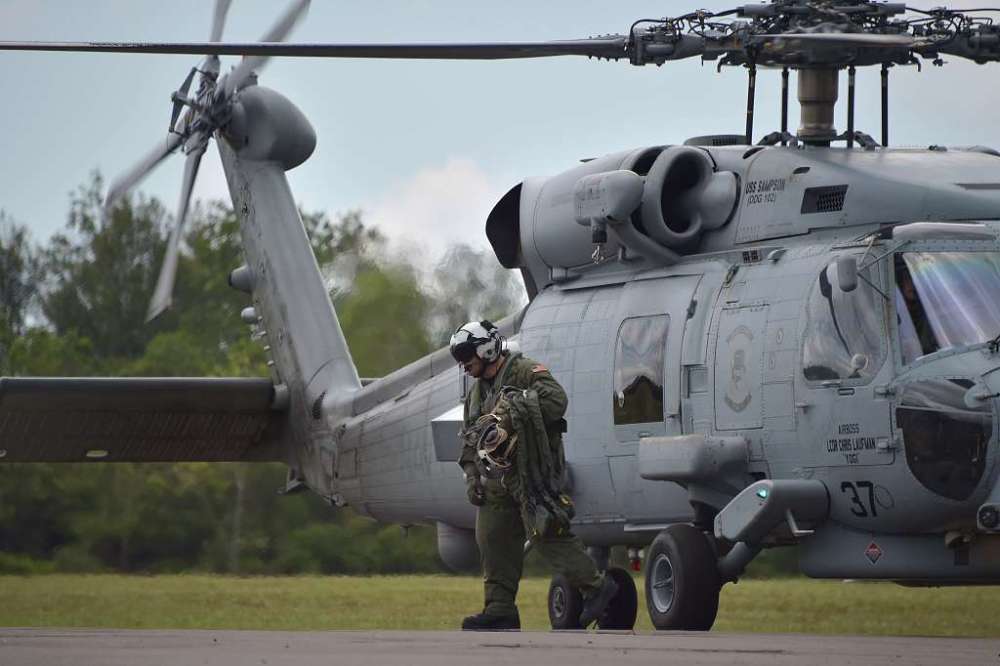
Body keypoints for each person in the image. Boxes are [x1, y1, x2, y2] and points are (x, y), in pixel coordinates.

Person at [450, 320, 617, 631]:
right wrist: (472, 476)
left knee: (547, 531)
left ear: (486, 350)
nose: (465, 368)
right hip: (498, 480)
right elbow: (471, 436)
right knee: (491, 536)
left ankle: (596, 587)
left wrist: (512, 415)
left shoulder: (524, 371)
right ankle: (500, 609)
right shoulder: (477, 393)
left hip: (533, 471)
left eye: (467, 360)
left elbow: (557, 401)